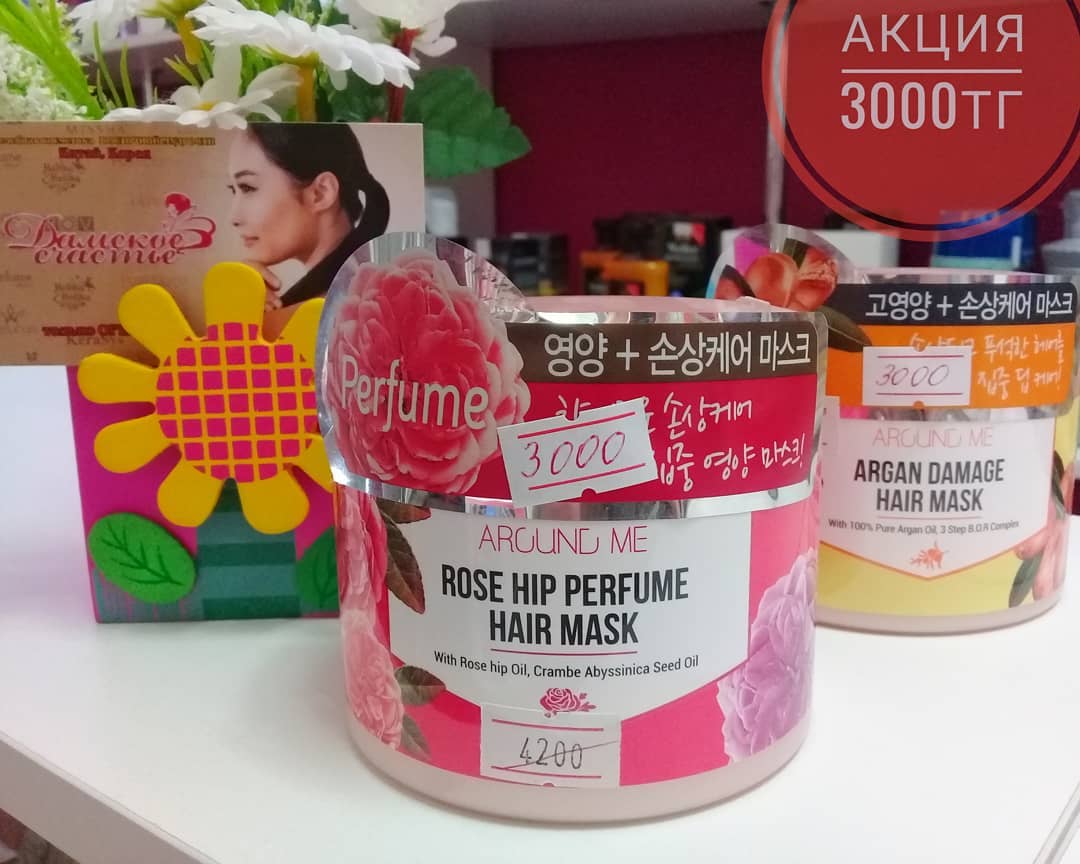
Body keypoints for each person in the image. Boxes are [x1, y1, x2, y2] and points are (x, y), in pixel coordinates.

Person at [227, 124, 390, 308]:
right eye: (233, 190)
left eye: (248, 187)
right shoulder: (359, 296)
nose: (233, 218)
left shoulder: (341, 308)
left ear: (320, 193)